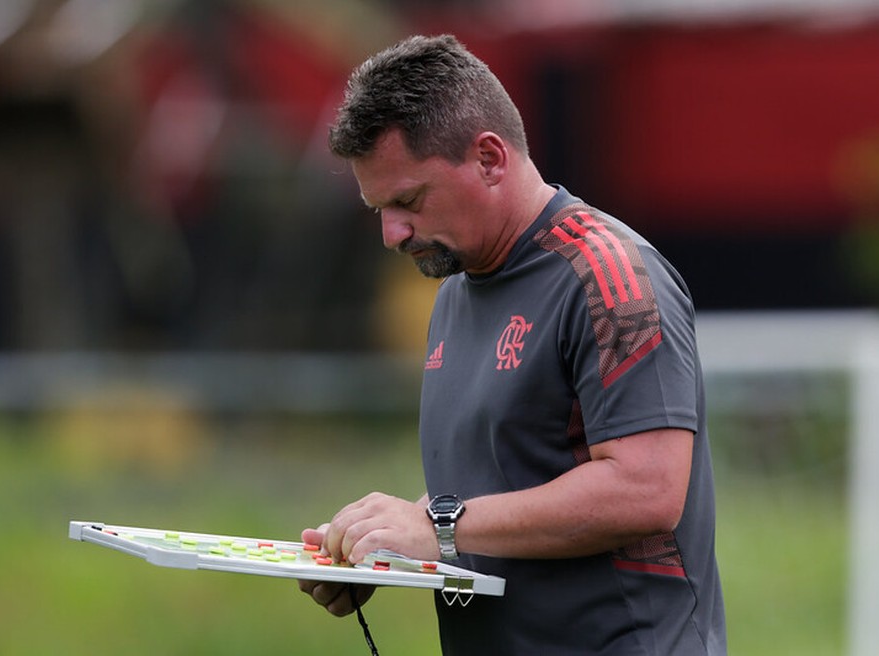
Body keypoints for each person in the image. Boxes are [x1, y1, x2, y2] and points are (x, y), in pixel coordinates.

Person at [298, 34, 726, 655]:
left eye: (408, 200)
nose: (393, 233)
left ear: (491, 158)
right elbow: (502, 484)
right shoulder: (455, 287)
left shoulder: (608, 276)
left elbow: (646, 489)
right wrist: (382, 543)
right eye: (378, 209)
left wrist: (434, 528)